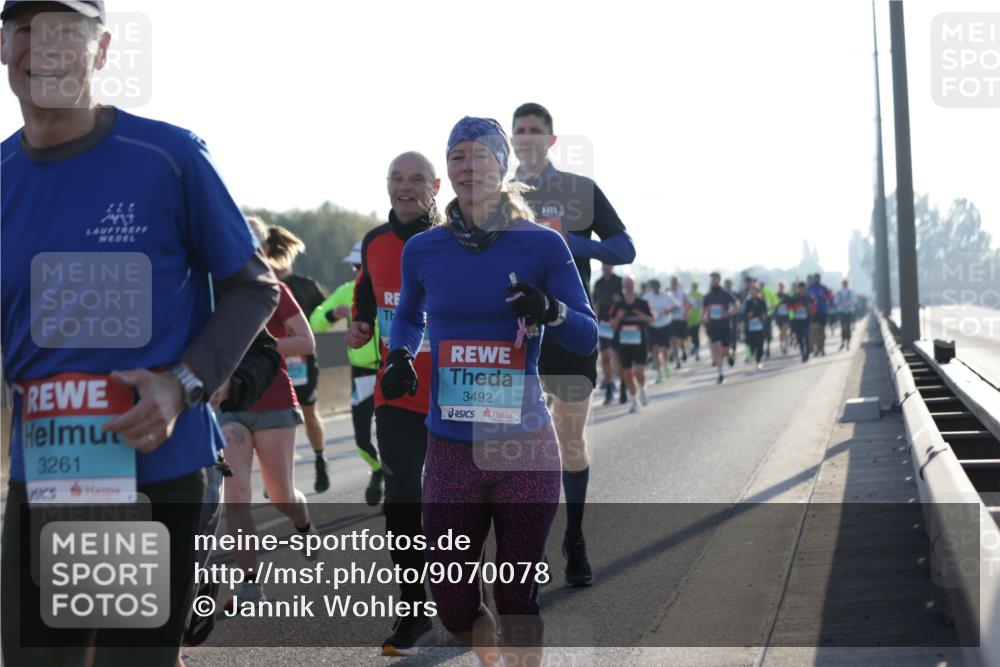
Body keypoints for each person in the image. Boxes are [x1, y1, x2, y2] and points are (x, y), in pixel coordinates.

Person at [0, 2, 279, 665]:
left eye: (65, 29)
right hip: (46, 468)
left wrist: (182, 383)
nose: (42, 45)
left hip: (154, 468)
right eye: (23, 27)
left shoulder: (168, 157)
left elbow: (253, 285)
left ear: (101, 51)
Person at [387, 116, 597, 667]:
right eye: (457, 157)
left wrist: (549, 310)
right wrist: (401, 356)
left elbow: (587, 331)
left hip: (523, 444)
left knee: (515, 596)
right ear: (448, 170)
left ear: (502, 168)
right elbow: (407, 318)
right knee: (454, 604)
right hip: (452, 449)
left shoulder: (542, 246)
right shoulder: (424, 249)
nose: (468, 166)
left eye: (481, 156)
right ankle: (490, 656)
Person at [512, 103, 635, 587]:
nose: (526, 137)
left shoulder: (579, 191)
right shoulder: (499, 194)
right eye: (519, 130)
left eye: (535, 129)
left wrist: (572, 244)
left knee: (570, 443)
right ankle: (527, 547)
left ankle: (576, 538)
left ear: (551, 139)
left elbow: (625, 248)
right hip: (515, 335)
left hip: (570, 329)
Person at [347, 151, 439, 656]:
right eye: (397, 179)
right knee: (403, 496)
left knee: (459, 500)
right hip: (396, 392)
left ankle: (477, 593)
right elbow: (367, 291)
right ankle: (413, 609)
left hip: (456, 394)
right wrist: (361, 320)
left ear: (436, 185)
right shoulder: (375, 242)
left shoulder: (453, 240)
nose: (405, 188)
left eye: (417, 180)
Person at [217, 218, 317, 607]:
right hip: (230, 405)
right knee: (236, 493)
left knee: (280, 496)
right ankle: (250, 584)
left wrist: (258, 347)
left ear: (263, 248)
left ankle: (302, 521)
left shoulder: (276, 290)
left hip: (274, 402)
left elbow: (306, 342)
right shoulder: (215, 289)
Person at [310, 242, 384, 505]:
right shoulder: (345, 292)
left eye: (361, 265)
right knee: (362, 440)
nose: (357, 270)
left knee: (395, 436)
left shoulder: (394, 286)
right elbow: (314, 321)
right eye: (355, 266)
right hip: (362, 374)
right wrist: (332, 313)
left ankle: (400, 481)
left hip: (394, 370)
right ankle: (378, 472)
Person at [277, 260, 329, 492]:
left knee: (308, 413)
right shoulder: (257, 285)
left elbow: (324, 314)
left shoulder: (304, 285)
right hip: (273, 360)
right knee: (277, 416)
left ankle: (320, 459)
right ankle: (277, 475)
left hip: (302, 361)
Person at [609, 277, 654, 411]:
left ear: (634, 285)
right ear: (623, 286)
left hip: (640, 341)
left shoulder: (642, 303)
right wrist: (618, 317)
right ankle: (634, 401)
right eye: (626, 284)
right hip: (624, 343)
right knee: (627, 373)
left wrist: (642, 317)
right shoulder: (618, 305)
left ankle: (643, 389)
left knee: (639, 370)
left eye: (631, 283)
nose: (628, 286)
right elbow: (612, 324)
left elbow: (652, 318)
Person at [592, 264, 625, 405]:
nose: (607, 267)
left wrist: (618, 316)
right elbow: (595, 304)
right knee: (605, 356)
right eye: (604, 265)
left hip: (617, 323)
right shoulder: (598, 284)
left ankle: (623, 385)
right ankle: (609, 389)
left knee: (616, 356)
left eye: (609, 265)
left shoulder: (619, 281)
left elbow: (626, 303)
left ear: (612, 267)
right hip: (603, 323)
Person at [702, 273, 738, 384]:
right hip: (713, 326)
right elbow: (703, 312)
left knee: (725, 350)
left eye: (715, 279)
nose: (713, 281)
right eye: (711, 279)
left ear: (719, 280)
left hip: (725, 325)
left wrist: (728, 313)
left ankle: (730, 355)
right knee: (716, 348)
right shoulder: (707, 296)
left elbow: (736, 306)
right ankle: (720, 374)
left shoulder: (726, 294)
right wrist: (703, 322)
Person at [642, 279, 676, 384]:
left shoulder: (666, 296)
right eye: (654, 287)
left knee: (664, 350)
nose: (656, 289)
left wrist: (667, 310)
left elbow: (676, 305)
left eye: (657, 287)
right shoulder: (647, 297)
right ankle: (659, 373)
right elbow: (641, 307)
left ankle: (665, 365)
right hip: (653, 326)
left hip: (664, 325)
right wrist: (649, 314)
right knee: (654, 350)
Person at [741, 283, 769, 370]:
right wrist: (748, 315)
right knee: (750, 344)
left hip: (759, 326)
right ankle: (750, 355)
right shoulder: (747, 302)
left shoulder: (762, 302)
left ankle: (759, 361)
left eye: (755, 291)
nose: (753, 293)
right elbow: (742, 314)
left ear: (758, 292)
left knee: (760, 344)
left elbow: (765, 313)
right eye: (751, 291)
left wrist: (763, 318)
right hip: (750, 326)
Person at [668, 276, 692, 369]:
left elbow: (691, 303)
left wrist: (685, 313)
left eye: (675, 282)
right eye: (672, 282)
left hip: (681, 319)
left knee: (681, 340)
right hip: (671, 320)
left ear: (678, 283)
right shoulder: (668, 293)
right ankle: (677, 360)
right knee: (673, 340)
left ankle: (683, 350)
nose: (673, 283)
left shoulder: (682, 293)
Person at [787, 281, 814, 363]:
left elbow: (814, 305)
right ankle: (803, 353)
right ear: (798, 289)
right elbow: (788, 306)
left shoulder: (808, 297)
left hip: (806, 321)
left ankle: (807, 352)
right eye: (800, 289)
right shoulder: (794, 298)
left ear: (805, 289)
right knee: (799, 339)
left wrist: (811, 312)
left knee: (806, 337)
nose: (801, 290)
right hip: (796, 321)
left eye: (803, 289)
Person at [807, 273, 832, 357]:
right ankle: (817, 347)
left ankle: (822, 346)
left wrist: (823, 296)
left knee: (821, 330)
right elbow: (806, 298)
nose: (816, 279)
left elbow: (829, 297)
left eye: (818, 278)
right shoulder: (810, 288)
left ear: (820, 279)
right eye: (815, 278)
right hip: (814, 312)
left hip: (823, 311)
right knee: (815, 329)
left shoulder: (823, 287)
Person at [834, 279, 857, 350]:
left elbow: (854, 300)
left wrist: (848, 302)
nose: (845, 285)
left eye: (846, 283)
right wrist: (841, 303)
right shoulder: (839, 292)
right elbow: (835, 301)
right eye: (844, 283)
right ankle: (843, 341)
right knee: (843, 327)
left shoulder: (851, 292)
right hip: (841, 311)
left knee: (848, 327)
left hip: (849, 311)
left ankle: (848, 342)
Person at [687, 281, 704, 362]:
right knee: (693, 335)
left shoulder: (699, 295)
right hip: (691, 318)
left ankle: (696, 352)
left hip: (696, 318)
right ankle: (695, 349)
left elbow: (703, 306)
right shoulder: (689, 295)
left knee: (694, 335)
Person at [774, 281, 791, 355]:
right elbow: (774, 304)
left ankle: (785, 346)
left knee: (785, 330)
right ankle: (781, 344)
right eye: (780, 286)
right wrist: (778, 303)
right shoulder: (776, 295)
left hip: (785, 316)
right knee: (781, 332)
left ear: (784, 287)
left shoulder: (786, 296)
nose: (781, 288)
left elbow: (790, 304)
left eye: (782, 286)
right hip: (778, 316)